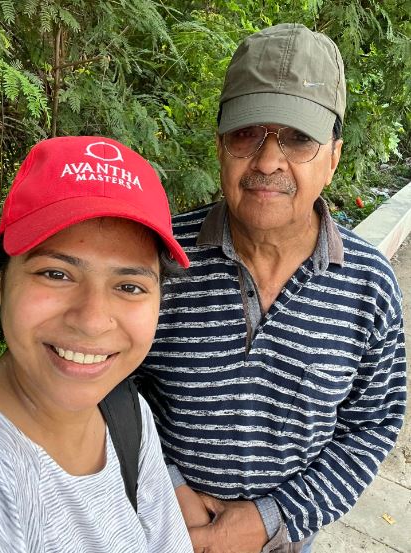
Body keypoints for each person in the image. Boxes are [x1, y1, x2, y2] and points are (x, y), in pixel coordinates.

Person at [136, 23, 407, 553]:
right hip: (156, 523)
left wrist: (269, 519)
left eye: (298, 138)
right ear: (220, 145)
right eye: (246, 133)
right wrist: (167, 484)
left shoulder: (369, 284)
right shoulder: (161, 258)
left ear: (333, 156)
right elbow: (116, 384)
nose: (266, 160)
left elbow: (372, 423)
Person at [0, 136, 194, 552]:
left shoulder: (126, 413)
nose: (93, 320)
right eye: (56, 274)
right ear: (2, 283)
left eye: (129, 286)